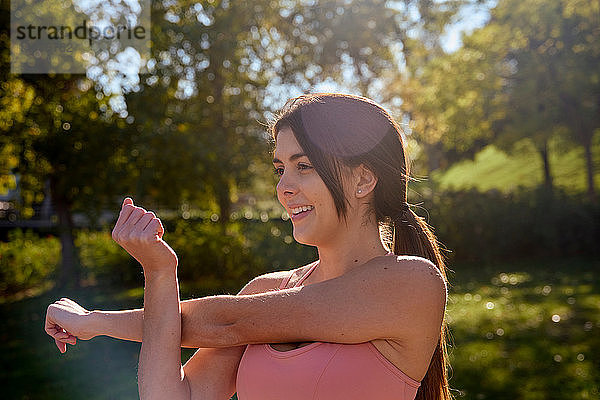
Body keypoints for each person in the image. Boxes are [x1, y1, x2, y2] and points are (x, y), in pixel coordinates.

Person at [44, 93, 451, 400]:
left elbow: (226, 322)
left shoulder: (411, 283)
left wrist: (94, 321)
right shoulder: (263, 292)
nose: (283, 187)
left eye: (303, 166)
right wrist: (158, 272)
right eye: (280, 168)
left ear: (363, 180)